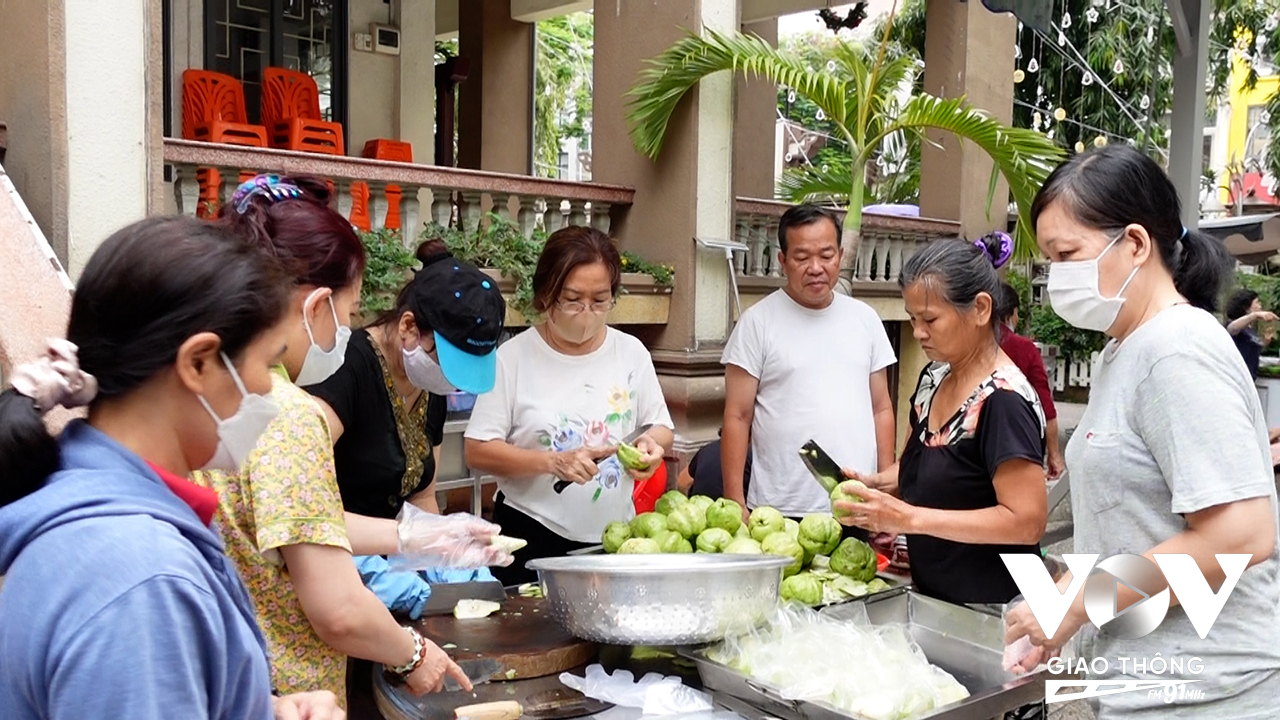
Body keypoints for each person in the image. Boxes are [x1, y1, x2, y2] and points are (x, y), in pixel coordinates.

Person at [0, 216, 343, 720]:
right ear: (200, 363)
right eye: (265, 363)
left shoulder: (101, 515)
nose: (270, 390)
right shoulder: (140, 581)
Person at [1002, 144, 1280, 719]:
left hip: (1214, 691)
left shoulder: (1176, 349)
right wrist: (1063, 612)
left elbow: (1241, 535)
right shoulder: (1121, 354)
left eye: (1067, 254)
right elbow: (1137, 528)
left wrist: (1080, 603)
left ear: (1134, 243)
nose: (1058, 275)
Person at [195, 176, 488, 706]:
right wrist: (414, 654)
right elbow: (339, 609)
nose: (347, 329)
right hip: (289, 687)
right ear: (316, 306)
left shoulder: (213, 394)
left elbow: (289, 519)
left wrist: (421, 537)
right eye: (350, 313)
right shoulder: (289, 414)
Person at [834, 237, 1048, 605]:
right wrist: (876, 487)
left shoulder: (1003, 402)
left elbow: (1026, 522)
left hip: (1000, 609)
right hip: (936, 597)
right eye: (913, 318)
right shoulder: (934, 378)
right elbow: (926, 468)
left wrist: (908, 519)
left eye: (930, 319)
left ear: (981, 309)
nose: (918, 331)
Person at [464, 226, 675, 584]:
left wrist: (651, 446)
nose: (587, 314)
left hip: (613, 540)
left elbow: (660, 427)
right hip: (531, 536)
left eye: (600, 301)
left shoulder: (631, 353)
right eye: (573, 299)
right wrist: (552, 462)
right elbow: (478, 451)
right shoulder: (511, 359)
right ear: (546, 294)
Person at [721, 203, 897, 534]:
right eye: (802, 257)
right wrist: (735, 501)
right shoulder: (757, 323)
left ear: (841, 256)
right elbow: (737, 416)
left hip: (855, 501)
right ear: (783, 261)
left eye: (826, 255)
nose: (816, 267)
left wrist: (885, 487)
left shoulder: (866, 319)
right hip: (779, 508)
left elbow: (881, 407)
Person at [306, 238, 507, 520]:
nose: (454, 383)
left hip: (392, 555)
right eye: (450, 366)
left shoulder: (429, 383)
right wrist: (400, 538)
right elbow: (300, 494)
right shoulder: (348, 366)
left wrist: (440, 545)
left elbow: (422, 496)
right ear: (409, 326)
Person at [995, 280, 1064, 479]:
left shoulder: (969, 344)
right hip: (1019, 445)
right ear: (1011, 312)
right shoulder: (1023, 348)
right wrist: (1054, 455)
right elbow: (1046, 406)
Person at [676, 428, 753, 500]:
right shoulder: (750, 456)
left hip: (698, 509)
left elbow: (682, 482)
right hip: (731, 510)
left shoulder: (706, 450)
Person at [1225, 288, 1276, 380]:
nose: (1260, 306)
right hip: (1234, 379)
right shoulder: (1237, 324)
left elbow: (1251, 352)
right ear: (1246, 307)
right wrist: (1255, 315)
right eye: (1257, 302)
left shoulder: (1250, 329)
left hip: (1249, 380)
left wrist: (1265, 342)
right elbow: (1231, 329)